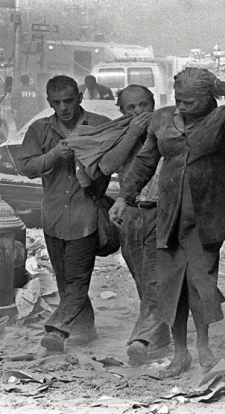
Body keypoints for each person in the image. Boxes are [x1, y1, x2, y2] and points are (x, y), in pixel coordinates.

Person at [109, 67, 225, 378]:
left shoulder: (223, 119)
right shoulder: (162, 119)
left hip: (206, 216)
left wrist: (218, 83)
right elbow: (146, 160)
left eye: (189, 102)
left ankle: (203, 344)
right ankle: (181, 352)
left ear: (207, 100)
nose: (181, 107)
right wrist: (125, 197)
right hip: (170, 216)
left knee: (200, 283)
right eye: (178, 100)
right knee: (170, 287)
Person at [17, 75, 112, 352]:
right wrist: (54, 156)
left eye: (69, 100)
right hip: (54, 213)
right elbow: (26, 167)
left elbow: (116, 159)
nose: (64, 108)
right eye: (57, 102)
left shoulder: (98, 125)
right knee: (63, 275)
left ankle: (58, 330)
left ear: (79, 97)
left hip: (87, 212)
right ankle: (86, 327)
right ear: (49, 102)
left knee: (77, 276)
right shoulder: (39, 129)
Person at [96, 85, 170, 366]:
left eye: (143, 105)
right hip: (131, 214)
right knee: (142, 280)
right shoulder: (121, 133)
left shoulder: (166, 127)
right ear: (122, 111)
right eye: (131, 108)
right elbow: (107, 166)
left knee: (154, 278)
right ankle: (159, 335)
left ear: (154, 103)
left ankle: (141, 338)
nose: (139, 112)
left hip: (161, 212)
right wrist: (132, 133)